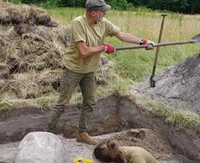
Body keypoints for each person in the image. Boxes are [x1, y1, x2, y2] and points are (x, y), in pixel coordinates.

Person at [47, 0, 156, 145]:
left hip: (89, 70)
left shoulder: (103, 23)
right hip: (73, 69)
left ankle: (82, 133)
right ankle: (47, 133)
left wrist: (143, 42)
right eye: (102, 11)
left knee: (90, 102)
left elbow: (122, 35)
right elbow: (84, 51)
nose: (105, 13)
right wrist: (103, 48)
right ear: (93, 12)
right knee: (62, 102)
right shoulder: (78, 23)